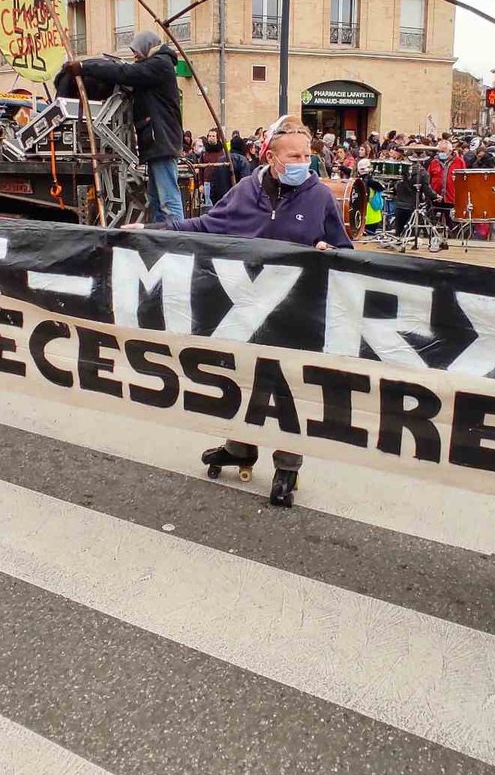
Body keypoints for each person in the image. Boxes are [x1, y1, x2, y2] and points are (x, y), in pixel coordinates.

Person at [143, 115, 352, 507]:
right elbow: (205, 226)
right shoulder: (244, 192)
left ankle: (287, 465)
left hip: (296, 313)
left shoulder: (320, 197)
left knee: (288, 390)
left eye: (306, 155)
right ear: (271, 157)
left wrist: (331, 253)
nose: (303, 162)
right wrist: (150, 233)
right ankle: (240, 448)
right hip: (244, 309)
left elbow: (346, 251)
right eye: (294, 156)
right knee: (242, 380)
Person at [61, 30, 184, 223]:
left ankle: (177, 235)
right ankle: (160, 234)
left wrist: (85, 67)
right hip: (158, 142)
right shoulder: (157, 66)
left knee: (167, 199)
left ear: (146, 47)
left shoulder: (160, 65)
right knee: (156, 199)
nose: (134, 56)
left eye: (136, 51)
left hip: (161, 141)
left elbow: (125, 73)